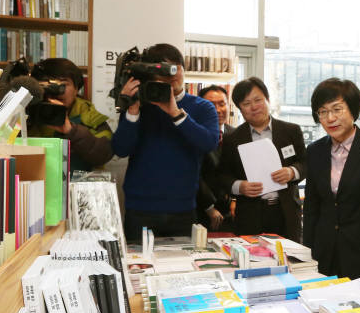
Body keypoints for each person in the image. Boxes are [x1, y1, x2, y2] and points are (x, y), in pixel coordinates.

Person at [112, 43, 219, 241]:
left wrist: (176, 113)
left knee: (181, 268)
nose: (171, 75)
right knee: (139, 267)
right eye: (162, 70)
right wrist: (132, 109)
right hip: (140, 209)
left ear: (184, 69)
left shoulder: (202, 107)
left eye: (175, 68)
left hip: (183, 209)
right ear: (151, 75)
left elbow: (209, 143)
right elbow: (120, 148)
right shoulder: (140, 107)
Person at [303, 78, 360, 289]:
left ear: (353, 110)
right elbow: (312, 207)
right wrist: (307, 252)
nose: (330, 118)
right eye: (323, 112)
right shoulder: (315, 150)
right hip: (323, 252)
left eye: (337, 109)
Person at [214, 77, 305, 241]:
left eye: (258, 100)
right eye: (246, 104)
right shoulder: (233, 138)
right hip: (250, 215)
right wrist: (239, 187)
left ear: (268, 100)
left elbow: (306, 164)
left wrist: (292, 172)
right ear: (240, 109)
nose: (254, 107)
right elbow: (222, 176)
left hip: (286, 213)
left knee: (290, 262)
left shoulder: (291, 130)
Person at [29, 58, 113, 172]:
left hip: (78, 186)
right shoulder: (28, 112)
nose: (57, 91)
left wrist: (72, 131)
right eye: (49, 84)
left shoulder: (89, 115)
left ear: (76, 88)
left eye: (63, 84)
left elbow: (104, 154)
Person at [197, 85, 235, 231]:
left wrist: (235, 199)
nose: (218, 110)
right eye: (211, 105)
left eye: (222, 104)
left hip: (230, 211)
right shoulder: (194, 134)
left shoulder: (235, 134)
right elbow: (194, 174)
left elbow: (239, 171)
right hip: (201, 209)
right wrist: (209, 206)